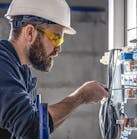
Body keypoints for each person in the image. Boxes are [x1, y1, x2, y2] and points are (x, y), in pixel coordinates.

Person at [0, 0, 108, 138]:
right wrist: (81, 97)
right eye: (56, 38)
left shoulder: (19, 70)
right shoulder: (3, 66)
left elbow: (40, 125)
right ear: (29, 33)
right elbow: (31, 128)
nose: (58, 49)